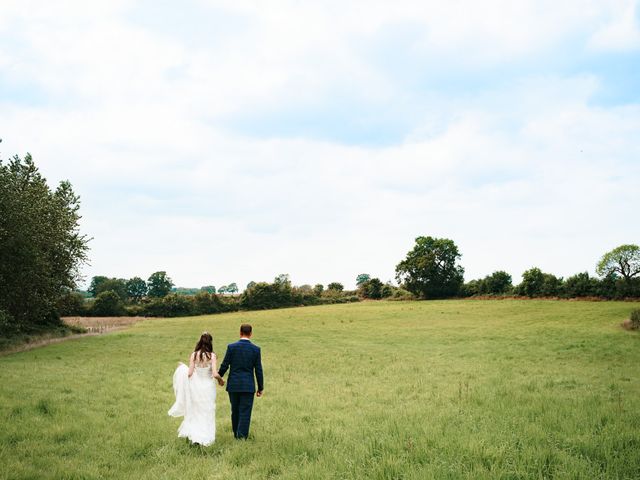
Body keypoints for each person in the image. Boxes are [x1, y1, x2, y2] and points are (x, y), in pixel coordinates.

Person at [168, 332, 224, 446]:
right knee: (207, 411)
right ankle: (206, 437)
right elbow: (214, 373)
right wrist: (221, 380)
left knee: (196, 411)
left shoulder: (194, 355)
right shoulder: (212, 356)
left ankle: (195, 436)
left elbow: (189, 373)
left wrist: (182, 368)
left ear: (200, 341)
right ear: (210, 342)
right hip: (208, 388)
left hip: (196, 387)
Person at [218, 323, 264, 439]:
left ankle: (236, 433)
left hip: (233, 385)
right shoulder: (255, 349)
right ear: (251, 334)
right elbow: (258, 370)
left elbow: (225, 365)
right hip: (248, 386)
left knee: (235, 410)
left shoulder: (231, 347)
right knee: (245, 412)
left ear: (240, 333)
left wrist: (219, 376)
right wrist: (260, 387)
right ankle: (241, 437)